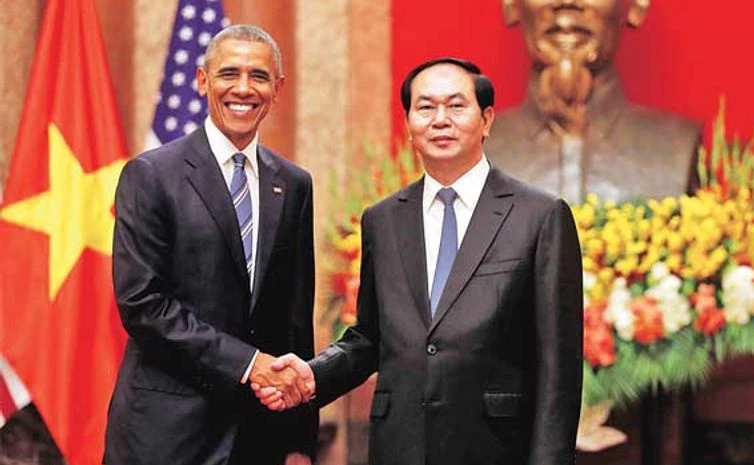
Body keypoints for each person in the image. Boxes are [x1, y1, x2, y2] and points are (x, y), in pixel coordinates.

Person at [256, 57, 584, 465]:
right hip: (400, 447)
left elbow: (559, 369)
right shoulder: (383, 219)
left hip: (496, 449)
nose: (440, 120)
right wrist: (313, 374)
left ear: (487, 119)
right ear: (409, 124)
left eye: (456, 106)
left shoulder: (539, 215)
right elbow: (370, 340)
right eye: (425, 107)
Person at [103, 25, 316, 465]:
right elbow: (142, 304)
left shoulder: (293, 185)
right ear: (202, 81)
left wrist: (299, 441)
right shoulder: (150, 175)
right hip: (165, 435)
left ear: (277, 90)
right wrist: (248, 363)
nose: (243, 89)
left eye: (258, 77)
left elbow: (295, 321)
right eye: (228, 74)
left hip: (258, 438)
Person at [486, 0, 702, 202]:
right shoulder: (472, 151)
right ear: (510, 4)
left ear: (638, 5)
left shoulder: (677, 148)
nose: (567, 2)